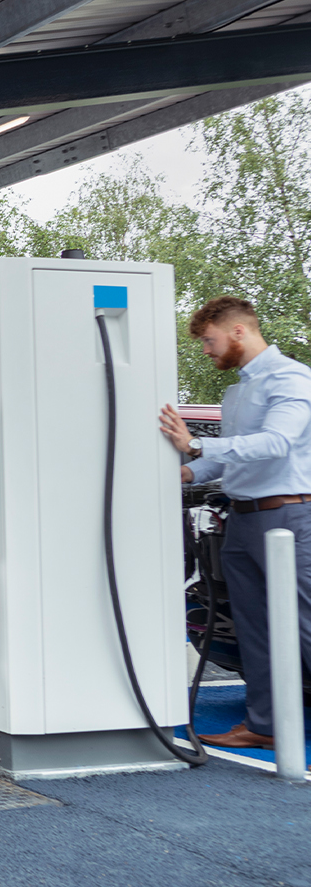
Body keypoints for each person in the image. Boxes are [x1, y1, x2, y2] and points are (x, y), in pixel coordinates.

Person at [160, 295, 311, 750]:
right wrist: (187, 471)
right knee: (254, 629)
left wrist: (198, 447)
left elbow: (277, 443)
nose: (206, 350)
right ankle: (264, 726)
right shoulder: (236, 392)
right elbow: (234, 460)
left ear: (239, 331)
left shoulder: (291, 378)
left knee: (305, 623)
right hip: (242, 520)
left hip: (288, 517)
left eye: (210, 340)